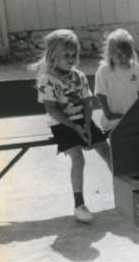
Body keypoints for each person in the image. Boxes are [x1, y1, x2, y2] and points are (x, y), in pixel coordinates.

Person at [32, 29, 112, 223]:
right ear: (53, 57)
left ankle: (125, 189)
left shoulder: (79, 76)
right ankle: (79, 204)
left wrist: (85, 123)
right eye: (65, 55)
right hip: (62, 123)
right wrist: (74, 128)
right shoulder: (46, 80)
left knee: (105, 149)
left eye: (73, 55)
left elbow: (87, 102)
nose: (70, 59)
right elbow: (52, 109)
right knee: (78, 157)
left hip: (81, 120)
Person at [94, 29, 139, 133]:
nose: (124, 58)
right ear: (110, 54)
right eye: (119, 55)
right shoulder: (104, 70)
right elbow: (100, 94)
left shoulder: (135, 67)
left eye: (127, 54)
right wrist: (108, 114)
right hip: (113, 121)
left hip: (133, 118)